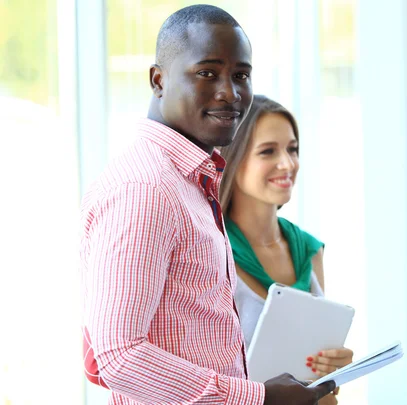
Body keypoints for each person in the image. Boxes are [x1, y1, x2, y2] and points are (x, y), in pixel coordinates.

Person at [80, 5, 334, 405]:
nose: (229, 92)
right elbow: (118, 356)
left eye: (241, 75)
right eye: (207, 73)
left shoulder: (189, 181)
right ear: (158, 80)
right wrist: (257, 399)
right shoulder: (145, 188)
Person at [218, 95, 354, 405]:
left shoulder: (308, 249)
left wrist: (334, 368)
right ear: (233, 159)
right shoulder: (214, 250)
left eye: (292, 149)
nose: (288, 163)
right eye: (268, 151)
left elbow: (317, 382)